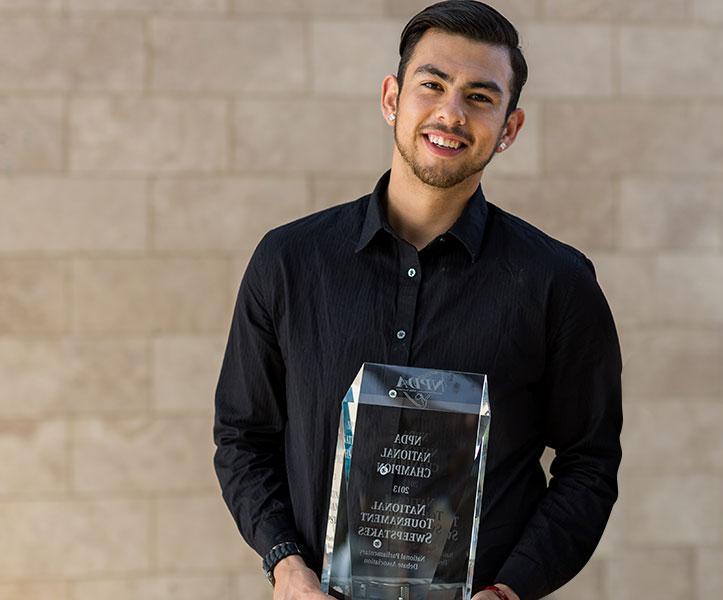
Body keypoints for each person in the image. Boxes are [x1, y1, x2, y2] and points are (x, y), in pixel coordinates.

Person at [212, 2, 622, 599]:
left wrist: (512, 589)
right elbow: (243, 438)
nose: (451, 113)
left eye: (481, 97)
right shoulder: (288, 262)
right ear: (391, 99)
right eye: (432, 85)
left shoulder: (559, 282)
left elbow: (589, 463)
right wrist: (285, 565)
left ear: (508, 127)